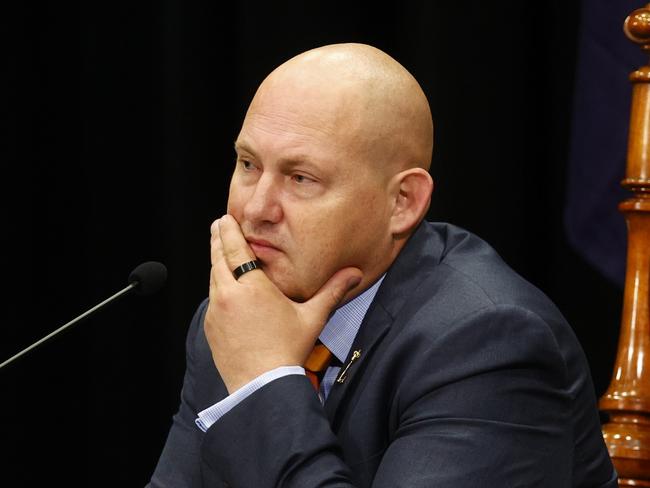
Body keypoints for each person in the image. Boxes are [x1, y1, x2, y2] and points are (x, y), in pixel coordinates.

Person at [148, 43, 617, 487]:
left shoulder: (488, 344)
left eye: (300, 178)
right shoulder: (242, 316)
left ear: (403, 202)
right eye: (248, 164)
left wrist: (264, 380)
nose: (255, 209)